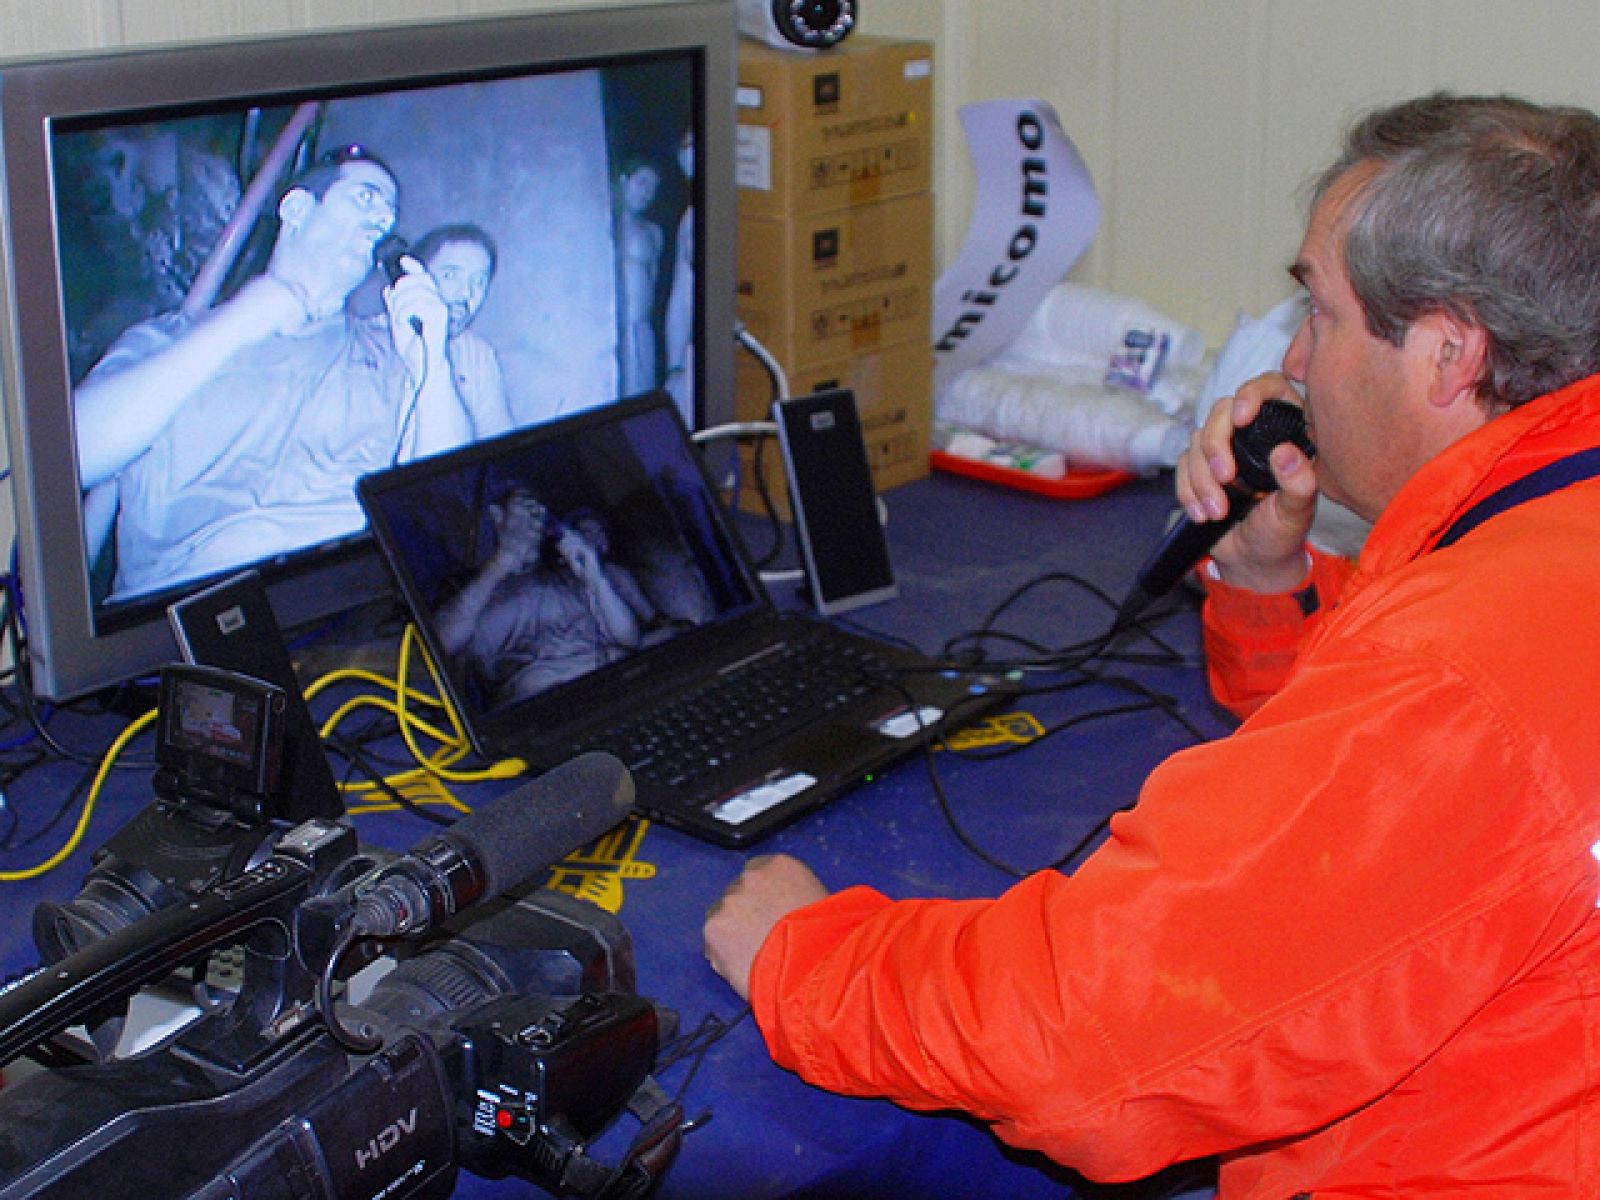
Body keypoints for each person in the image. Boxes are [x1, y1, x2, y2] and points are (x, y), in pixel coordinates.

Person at [703, 92, 1600, 1195]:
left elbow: (1093, 1037)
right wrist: (1267, 580)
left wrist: (805, 959)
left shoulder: (1461, 670)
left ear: (1449, 353)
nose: (1297, 365)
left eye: (1315, 313)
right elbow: (1430, 826)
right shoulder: (1544, 548)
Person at [75, 145, 467, 601]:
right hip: (200, 615)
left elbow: (447, 516)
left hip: (355, 604)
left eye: (390, 212)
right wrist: (243, 320)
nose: (384, 219)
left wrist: (432, 366)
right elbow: (77, 456)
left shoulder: (390, 355)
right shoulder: (169, 339)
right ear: (297, 207)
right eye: (366, 197)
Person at [436, 488, 643, 706]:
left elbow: (630, 639)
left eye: (541, 511)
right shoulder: (469, 587)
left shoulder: (569, 571)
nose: (538, 516)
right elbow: (441, 643)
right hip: (542, 702)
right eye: (527, 506)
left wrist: (595, 576)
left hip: (615, 682)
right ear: (498, 516)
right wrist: (503, 561)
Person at [412, 222, 515, 440]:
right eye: (450, 275)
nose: (466, 293)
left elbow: (498, 444)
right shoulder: (370, 342)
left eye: (478, 281)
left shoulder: (477, 355)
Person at [615, 158, 665, 397]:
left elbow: (652, 281)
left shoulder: (653, 232)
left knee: (642, 393)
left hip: (643, 329)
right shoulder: (606, 224)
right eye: (642, 182)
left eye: (653, 188)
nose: (647, 192)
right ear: (624, 181)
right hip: (615, 329)